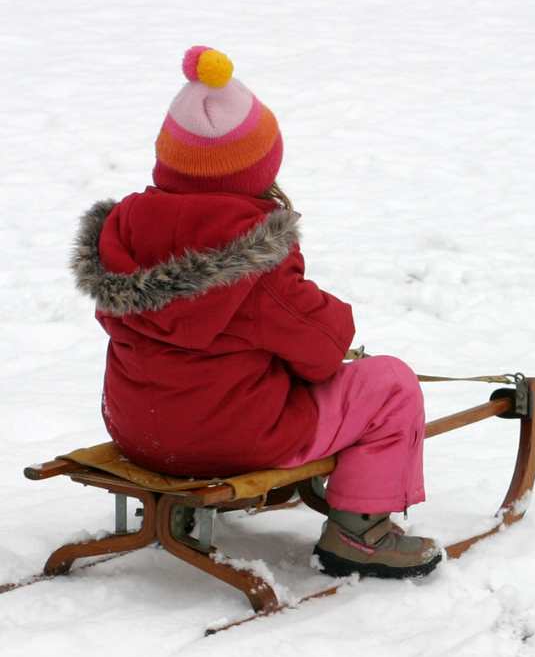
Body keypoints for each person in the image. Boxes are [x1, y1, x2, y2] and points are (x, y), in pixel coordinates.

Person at [71, 46, 441, 579]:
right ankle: (359, 533)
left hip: (138, 431)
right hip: (233, 439)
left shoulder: (122, 236)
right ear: (259, 169)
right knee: (389, 384)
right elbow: (323, 351)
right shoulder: (253, 257)